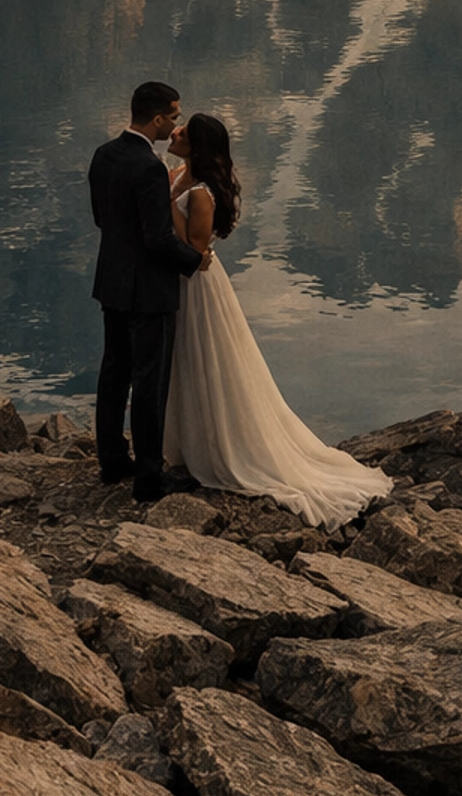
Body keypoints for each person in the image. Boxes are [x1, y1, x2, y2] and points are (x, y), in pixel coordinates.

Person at [164, 111, 391, 524]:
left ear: (197, 145)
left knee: (205, 362)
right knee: (192, 364)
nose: (175, 132)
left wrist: (164, 205)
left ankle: (219, 447)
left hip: (196, 287)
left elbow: (195, 253)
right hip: (188, 285)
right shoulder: (184, 175)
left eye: (184, 131)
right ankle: (192, 441)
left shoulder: (199, 194)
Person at [88, 80, 209, 502]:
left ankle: (111, 460)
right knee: (149, 381)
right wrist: (195, 261)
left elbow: (102, 219)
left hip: (112, 282)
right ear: (157, 118)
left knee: (113, 373)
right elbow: (157, 239)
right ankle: (149, 477)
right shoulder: (150, 168)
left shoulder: (104, 155)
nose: (175, 123)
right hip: (149, 291)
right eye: (174, 116)